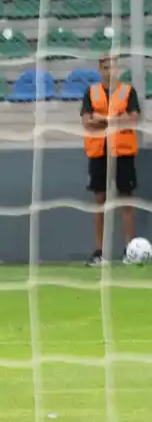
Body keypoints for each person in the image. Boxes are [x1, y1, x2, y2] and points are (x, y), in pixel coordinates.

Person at [82, 54, 141, 266]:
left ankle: (130, 251)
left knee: (126, 200)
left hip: (123, 152)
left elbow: (133, 120)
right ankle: (99, 252)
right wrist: (117, 119)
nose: (110, 71)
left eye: (113, 67)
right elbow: (87, 122)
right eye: (106, 67)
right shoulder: (91, 92)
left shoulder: (128, 91)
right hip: (99, 152)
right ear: (100, 69)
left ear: (119, 69)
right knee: (100, 202)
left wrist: (104, 119)